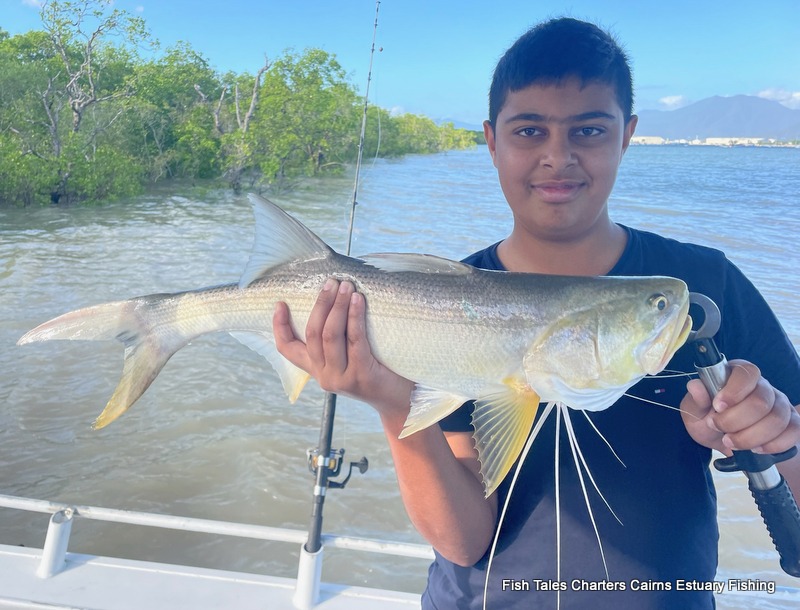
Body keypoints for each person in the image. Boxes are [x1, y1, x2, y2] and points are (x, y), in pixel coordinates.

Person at [273, 17, 800, 610]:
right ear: (491, 140)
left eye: (589, 131)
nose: (558, 157)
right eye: (529, 131)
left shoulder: (706, 285)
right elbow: (465, 541)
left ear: (625, 135)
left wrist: (780, 437)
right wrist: (393, 402)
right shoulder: (443, 301)